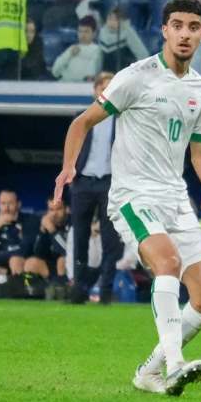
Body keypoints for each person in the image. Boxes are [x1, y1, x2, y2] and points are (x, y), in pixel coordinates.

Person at [53, 0, 201, 396]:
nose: (184, 34)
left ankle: (149, 372)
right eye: (177, 26)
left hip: (175, 197)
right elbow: (82, 122)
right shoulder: (136, 76)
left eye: (193, 27)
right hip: (133, 194)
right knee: (168, 263)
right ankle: (176, 365)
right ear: (164, 30)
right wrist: (68, 167)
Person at [67, 72, 125, 304]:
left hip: (110, 182)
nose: (107, 92)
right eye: (103, 88)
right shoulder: (82, 117)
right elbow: (71, 146)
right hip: (83, 181)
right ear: (95, 91)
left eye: (112, 88)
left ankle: (105, 291)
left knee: (110, 240)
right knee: (80, 237)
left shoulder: (124, 118)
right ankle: (78, 289)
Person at [0, 189, 38, 277]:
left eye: (10, 203)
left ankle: (16, 284)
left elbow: (25, 250)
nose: (6, 207)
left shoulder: (30, 220)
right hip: (2, 264)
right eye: (3, 203)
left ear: (18, 204)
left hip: (22, 261)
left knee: (15, 260)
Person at [25, 197, 71, 289]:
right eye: (51, 210)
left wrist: (52, 231)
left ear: (67, 209)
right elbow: (38, 253)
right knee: (31, 262)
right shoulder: (46, 224)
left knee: (62, 260)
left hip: (70, 267)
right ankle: (32, 292)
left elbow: (68, 251)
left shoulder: (73, 224)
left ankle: (63, 291)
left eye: (58, 209)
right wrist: (43, 232)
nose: (54, 213)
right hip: (51, 269)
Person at [51, 16, 103, 81]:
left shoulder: (97, 50)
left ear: (94, 33)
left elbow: (89, 76)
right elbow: (55, 72)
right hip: (63, 83)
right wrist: (69, 54)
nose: (82, 35)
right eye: (80, 31)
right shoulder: (71, 49)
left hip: (81, 85)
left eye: (86, 31)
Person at [98, 8, 150, 73]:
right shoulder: (102, 32)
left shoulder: (128, 32)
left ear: (122, 21)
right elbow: (99, 56)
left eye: (115, 20)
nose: (112, 22)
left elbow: (143, 54)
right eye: (110, 19)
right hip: (106, 75)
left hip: (125, 73)